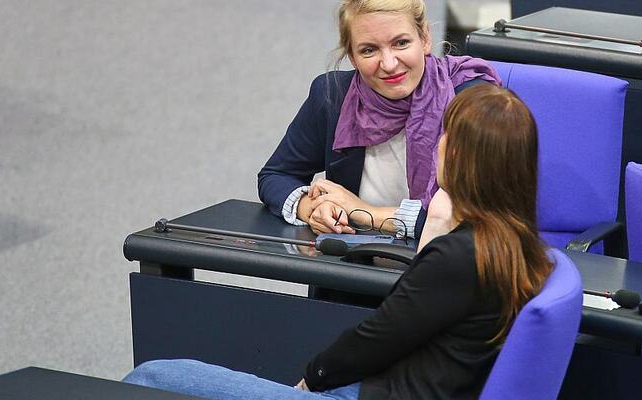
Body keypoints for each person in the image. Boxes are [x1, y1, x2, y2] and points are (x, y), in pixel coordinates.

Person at [123, 83, 555, 400]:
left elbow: (381, 335)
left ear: (458, 157)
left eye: (445, 137)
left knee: (156, 377)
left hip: (373, 394)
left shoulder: (460, 256)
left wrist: (312, 379)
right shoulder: (520, 248)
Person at [257, 0, 501, 240]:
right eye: (368, 50)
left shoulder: (470, 100)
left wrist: (367, 214)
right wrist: (312, 209)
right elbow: (276, 175)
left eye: (401, 43)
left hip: (445, 264)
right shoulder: (332, 96)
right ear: (352, 57)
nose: (389, 64)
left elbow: (481, 218)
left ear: (425, 38)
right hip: (355, 261)